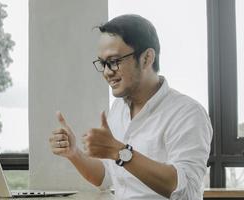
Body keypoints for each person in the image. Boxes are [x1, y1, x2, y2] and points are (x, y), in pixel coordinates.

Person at [49, 14, 213, 200]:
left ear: (146, 58)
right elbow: (105, 177)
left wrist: (119, 152)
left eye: (114, 61)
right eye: (103, 63)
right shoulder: (118, 109)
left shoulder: (188, 113)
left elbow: (187, 192)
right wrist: (74, 153)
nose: (107, 72)